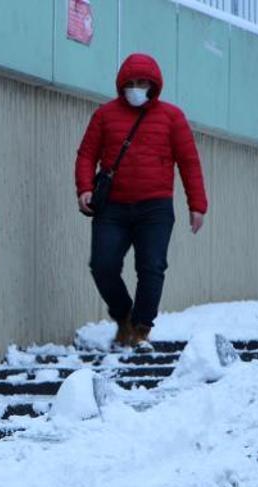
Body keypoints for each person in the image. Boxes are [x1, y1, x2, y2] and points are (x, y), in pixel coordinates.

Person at [75, 53, 208, 352]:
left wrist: (197, 204)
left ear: (153, 86)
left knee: (151, 267)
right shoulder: (105, 115)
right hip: (113, 207)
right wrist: (84, 188)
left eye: (142, 83)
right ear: (121, 85)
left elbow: (189, 162)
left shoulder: (172, 117)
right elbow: (86, 155)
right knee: (102, 265)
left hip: (155, 207)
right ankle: (123, 316)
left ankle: (141, 327)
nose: (136, 89)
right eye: (131, 83)